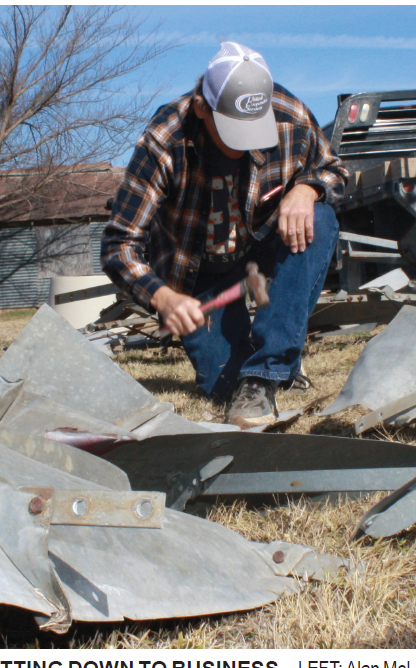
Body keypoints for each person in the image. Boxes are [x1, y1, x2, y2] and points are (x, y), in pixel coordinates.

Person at [103, 42, 347, 426]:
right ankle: (269, 370)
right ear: (202, 106)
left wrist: (307, 189)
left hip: (262, 249)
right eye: (234, 129)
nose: (247, 142)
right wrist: (163, 298)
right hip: (200, 271)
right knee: (225, 386)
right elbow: (119, 245)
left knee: (318, 218)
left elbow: (333, 169)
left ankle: (267, 369)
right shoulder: (164, 140)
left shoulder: (290, 114)